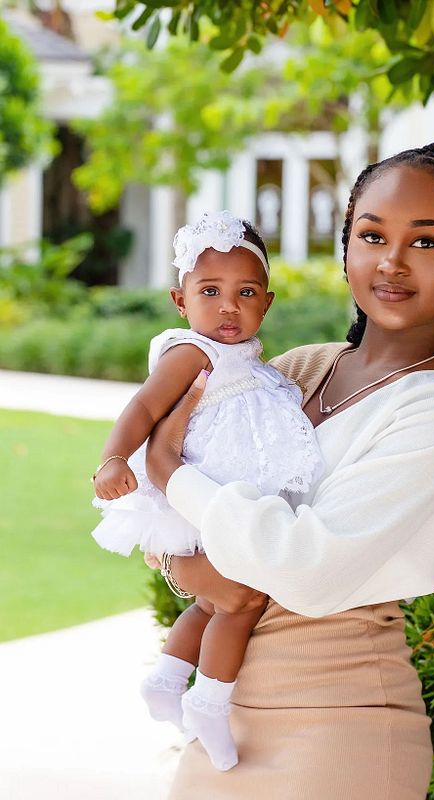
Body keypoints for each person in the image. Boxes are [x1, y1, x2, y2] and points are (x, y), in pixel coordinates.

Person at [144, 143, 434, 799]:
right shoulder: (296, 370)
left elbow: (307, 570)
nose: (391, 260)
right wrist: (184, 548)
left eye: (426, 242)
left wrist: (171, 476)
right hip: (225, 718)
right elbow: (164, 527)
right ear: (347, 246)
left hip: (337, 731)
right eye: (373, 234)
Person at [90, 210, 323, 772]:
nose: (228, 306)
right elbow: (144, 407)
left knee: (212, 601)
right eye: (210, 291)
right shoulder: (192, 352)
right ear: (180, 300)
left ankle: (166, 681)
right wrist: (113, 458)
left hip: (221, 505)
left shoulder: (257, 366)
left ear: (266, 302)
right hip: (193, 510)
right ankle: (208, 701)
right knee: (242, 601)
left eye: (246, 293)